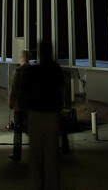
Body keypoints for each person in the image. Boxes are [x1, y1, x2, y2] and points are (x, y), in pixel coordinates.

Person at [25, 40, 64, 190]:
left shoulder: (33, 71)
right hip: (52, 115)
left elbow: (27, 91)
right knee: (52, 157)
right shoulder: (56, 69)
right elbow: (60, 89)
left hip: (36, 114)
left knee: (35, 157)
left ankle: (37, 186)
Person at [8, 49, 33, 161]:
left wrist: (11, 102)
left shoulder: (18, 71)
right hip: (31, 105)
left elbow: (14, 88)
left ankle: (17, 153)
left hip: (19, 104)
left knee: (17, 129)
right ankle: (34, 153)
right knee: (31, 129)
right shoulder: (34, 71)